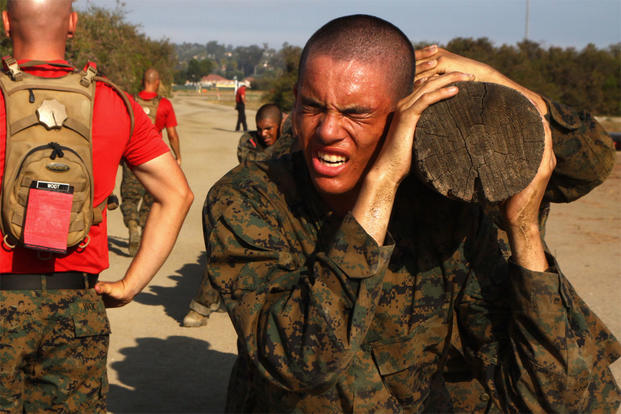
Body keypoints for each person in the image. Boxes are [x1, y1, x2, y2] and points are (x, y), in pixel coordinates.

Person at [203, 15, 620, 413]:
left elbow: (561, 400)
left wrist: (524, 231)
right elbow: (300, 361)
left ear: (407, 113)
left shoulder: (444, 212)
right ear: (294, 102)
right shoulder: (250, 198)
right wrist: (381, 185)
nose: (328, 131)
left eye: (356, 113)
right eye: (313, 108)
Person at [0, 1, 193, 412]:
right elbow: (177, 194)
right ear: (72, 24)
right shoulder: (115, 102)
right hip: (77, 310)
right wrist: (131, 284)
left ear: (5, 22)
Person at [182, 106, 297, 327]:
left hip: (282, 208)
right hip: (250, 206)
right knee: (223, 247)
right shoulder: (249, 142)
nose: (263, 133)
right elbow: (262, 163)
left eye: (269, 129)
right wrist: (286, 135)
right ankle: (201, 306)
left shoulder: (291, 143)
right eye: (260, 128)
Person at [120, 67, 181, 256]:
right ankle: (145, 236)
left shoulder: (131, 102)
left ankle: (132, 225)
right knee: (151, 199)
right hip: (155, 159)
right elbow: (171, 134)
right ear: (157, 82)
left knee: (129, 198)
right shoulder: (164, 104)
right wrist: (178, 156)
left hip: (131, 157)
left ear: (143, 81)